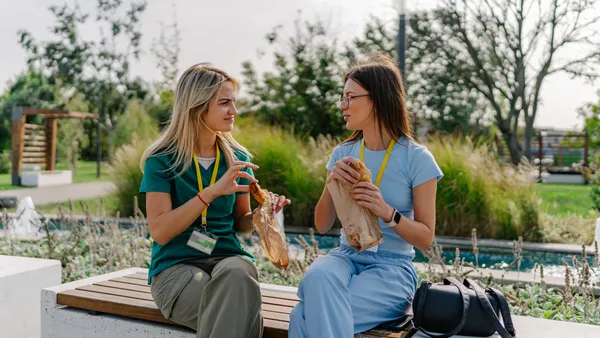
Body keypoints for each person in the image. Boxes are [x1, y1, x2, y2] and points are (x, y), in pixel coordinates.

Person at [288, 53, 443, 338]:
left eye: (350, 97)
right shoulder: (342, 154)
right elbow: (322, 225)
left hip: (391, 269)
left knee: (303, 315)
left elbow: (425, 238)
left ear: (378, 99)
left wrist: (387, 212)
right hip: (344, 256)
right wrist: (332, 184)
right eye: (342, 97)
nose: (342, 105)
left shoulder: (417, 159)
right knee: (318, 275)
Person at [139, 63, 291, 338]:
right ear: (197, 107)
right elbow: (160, 232)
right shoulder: (160, 160)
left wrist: (261, 214)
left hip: (226, 259)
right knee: (238, 308)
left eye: (234, 102)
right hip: (176, 269)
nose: (234, 111)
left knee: (240, 272)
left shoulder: (238, 159)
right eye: (224, 103)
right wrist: (210, 192)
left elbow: (240, 224)